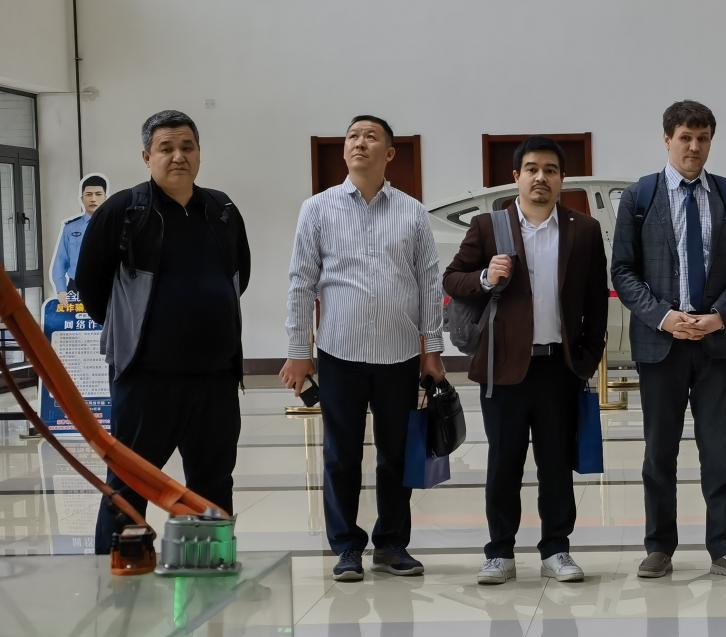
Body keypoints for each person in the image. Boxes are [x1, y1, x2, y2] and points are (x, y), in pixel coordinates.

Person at [280, 115, 445, 582]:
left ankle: (391, 544)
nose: (359, 143)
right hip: (339, 352)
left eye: (371, 137)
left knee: (396, 454)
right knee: (341, 455)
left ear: (389, 153)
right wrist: (298, 350)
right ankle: (346, 546)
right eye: (353, 136)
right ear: (344, 149)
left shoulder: (412, 212)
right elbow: (301, 281)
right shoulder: (317, 209)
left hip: (399, 355)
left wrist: (433, 349)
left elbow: (429, 282)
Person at [77, 110, 249, 554]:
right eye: (166, 148)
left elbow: (239, 276)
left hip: (215, 379)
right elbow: (92, 286)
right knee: (129, 482)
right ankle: (116, 574)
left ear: (199, 153)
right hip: (145, 379)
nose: (178, 156)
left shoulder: (222, 210)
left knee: (212, 484)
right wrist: (134, 331)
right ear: (147, 156)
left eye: (187, 147)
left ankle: (209, 566)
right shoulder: (124, 210)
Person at [444, 136, 609, 585]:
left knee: (557, 463)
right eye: (532, 169)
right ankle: (499, 552)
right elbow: (452, 279)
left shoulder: (582, 230)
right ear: (516, 177)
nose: (541, 177)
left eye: (550, 170)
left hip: (559, 368)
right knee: (504, 463)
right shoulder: (488, 227)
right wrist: (485, 276)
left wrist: (586, 359)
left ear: (562, 179)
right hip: (503, 369)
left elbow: (596, 301)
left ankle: (556, 549)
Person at [610, 100, 726, 580]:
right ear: (667, 139)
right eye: (685, 138)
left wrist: (720, 316)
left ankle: (725, 547)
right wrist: (663, 316)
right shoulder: (640, 197)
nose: (694, 147)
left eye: (702, 138)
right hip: (662, 345)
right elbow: (623, 271)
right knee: (660, 451)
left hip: (716, 345)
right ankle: (659, 547)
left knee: (719, 451)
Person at [51, 174, 108, 305]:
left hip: (107, 286)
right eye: (88, 194)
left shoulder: (115, 225)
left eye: (98, 194)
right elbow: (60, 261)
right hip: (76, 288)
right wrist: (61, 290)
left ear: (105, 197)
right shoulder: (70, 228)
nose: (93, 199)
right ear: (82, 198)